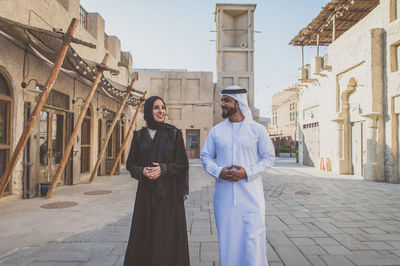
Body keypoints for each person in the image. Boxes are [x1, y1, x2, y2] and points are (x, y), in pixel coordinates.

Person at [200, 85, 275, 266]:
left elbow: (269, 158)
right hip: (224, 199)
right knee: (228, 244)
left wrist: (247, 172)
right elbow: (205, 156)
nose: (222, 104)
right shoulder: (217, 131)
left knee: (253, 244)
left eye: (226, 100)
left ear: (238, 103)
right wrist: (220, 171)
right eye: (222, 100)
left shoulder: (257, 130)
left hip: (252, 198)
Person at [124, 96, 190, 266]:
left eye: (163, 107)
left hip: (168, 196)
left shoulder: (173, 134)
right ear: (147, 111)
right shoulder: (139, 136)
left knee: (165, 236)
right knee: (145, 234)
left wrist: (163, 169)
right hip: (146, 195)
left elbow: (182, 163)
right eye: (155, 107)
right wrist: (142, 171)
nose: (161, 111)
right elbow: (131, 164)